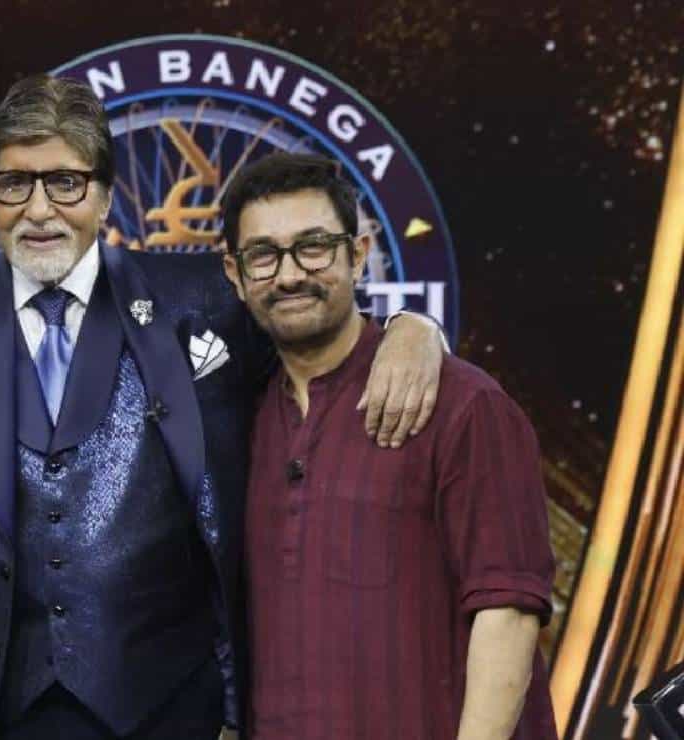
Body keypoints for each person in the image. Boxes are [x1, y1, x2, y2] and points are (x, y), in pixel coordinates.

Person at [0, 75, 444, 740]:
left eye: (65, 183)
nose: (39, 209)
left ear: (105, 196)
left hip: (167, 708)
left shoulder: (205, 301)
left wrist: (414, 329)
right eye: (15, 184)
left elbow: (319, 337)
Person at [222, 152, 558, 739]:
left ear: (358, 254)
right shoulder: (236, 419)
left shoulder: (464, 405)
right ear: (235, 272)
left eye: (313, 247)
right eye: (264, 255)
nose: (290, 275)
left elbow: (508, 611)